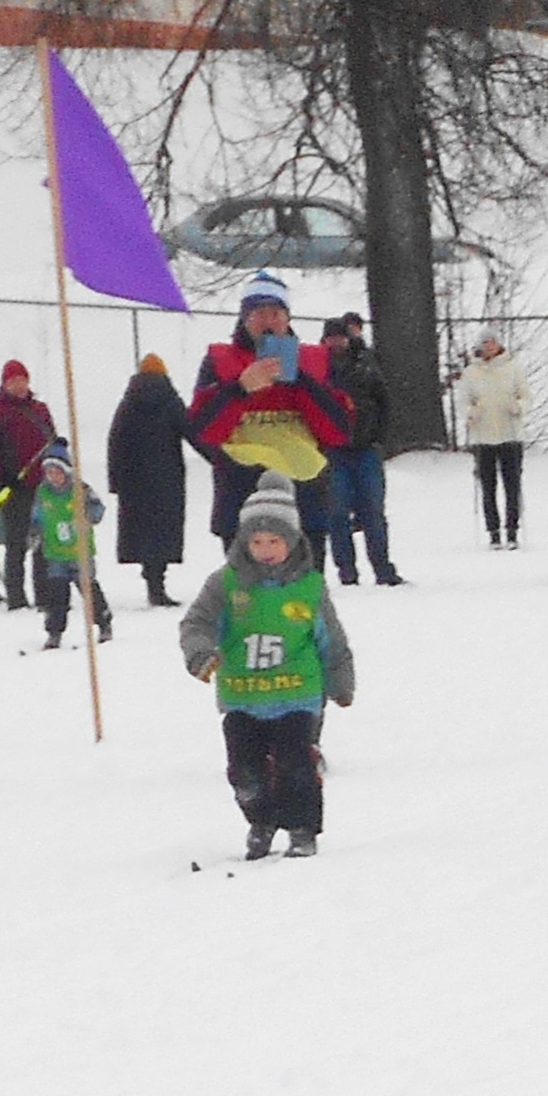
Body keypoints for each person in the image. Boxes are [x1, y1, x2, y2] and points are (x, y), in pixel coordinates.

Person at [179, 474, 354, 857]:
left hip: (296, 693)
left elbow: (331, 638)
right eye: (256, 542)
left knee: (295, 764)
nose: (266, 549)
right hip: (242, 696)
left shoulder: (309, 586)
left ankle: (303, 827)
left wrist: (339, 680)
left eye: (274, 541)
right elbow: (196, 623)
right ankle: (261, 819)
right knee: (245, 773)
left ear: (291, 541)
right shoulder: (225, 585)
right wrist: (200, 653)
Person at [186, 284, 347, 543]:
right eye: (259, 314)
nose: (268, 321)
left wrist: (301, 381)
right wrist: (239, 388)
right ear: (244, 318)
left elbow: (340, 430)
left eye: (276, 313)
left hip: (304, 497)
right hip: (241, 495)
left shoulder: (316, 360)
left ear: (288, 318)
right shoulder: (220, 359)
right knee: (245, 582)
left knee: (303, 581)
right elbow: (201, 430)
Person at [313, 312, 401, 587]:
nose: (336, 342)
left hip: (366, 448)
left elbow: (383, 400)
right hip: (333, 450)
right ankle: (347, 572)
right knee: (337, 514)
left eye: (340, 337)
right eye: (331, 338)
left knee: (373, 511)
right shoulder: (317, 367)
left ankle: (383, 569)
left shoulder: (367, 363)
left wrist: (379, 437)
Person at [107, 351, 195, 607]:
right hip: (166, 477)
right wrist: (219, 456)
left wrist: (116, 481)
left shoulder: (127, 403)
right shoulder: (171, 401)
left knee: (142, 531)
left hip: (134, 481)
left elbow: (115, 442)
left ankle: (151, 580)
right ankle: (159, 583)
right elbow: (191, 431)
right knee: (163, 530)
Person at [0, 358, 59, 613]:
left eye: (23, 381)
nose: (20, 386)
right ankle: (16, 596)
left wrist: (58, 452)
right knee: (17, 542)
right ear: (5, 384)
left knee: (44, 542)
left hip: (43, 485)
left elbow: (51, 439)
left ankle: (44, 595)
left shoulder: (40, 409)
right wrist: (3, 472)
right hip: (15, 486)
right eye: (14, 382)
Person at [453, 330, 532, 550]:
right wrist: (471, 412)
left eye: (493, 342)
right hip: (483, 437)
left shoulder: (513, 368)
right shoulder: (471, 372)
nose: (489, 346)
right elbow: (462, 401)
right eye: (485, 342)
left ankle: (513, 529)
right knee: (488, 485)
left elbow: (526, 395)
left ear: (499, 345)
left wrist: (519, 407)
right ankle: (494, 531)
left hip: (511, 434)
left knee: (512, 484)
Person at [26, 438, 101, 647]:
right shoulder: (43, 493)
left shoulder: (81, 490)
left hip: (80, 553)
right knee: (57, 597)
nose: (53, 477)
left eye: (57, 472)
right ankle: (54, 633)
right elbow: (37, 518)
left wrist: (88, 515)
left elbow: (97, 509)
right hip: (55, 554)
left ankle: (103, 622)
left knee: (89, 592)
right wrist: (34, 535)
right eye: (49, 473)